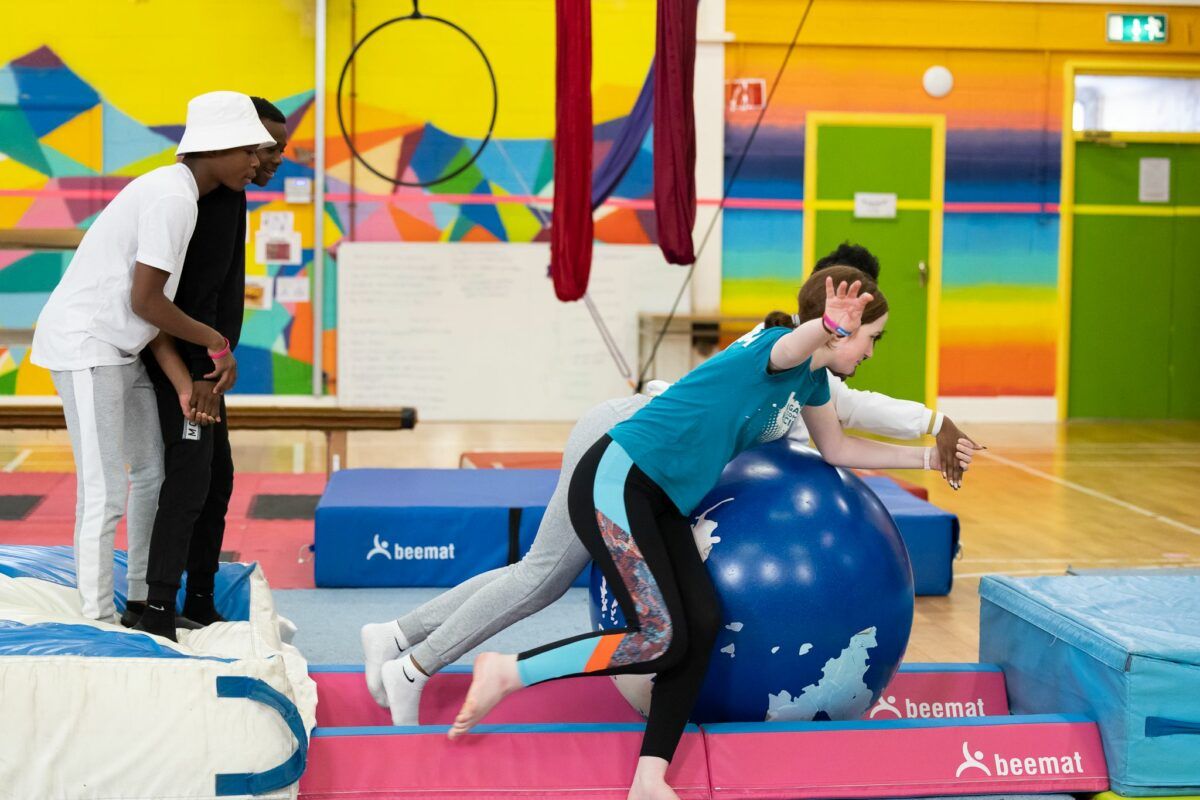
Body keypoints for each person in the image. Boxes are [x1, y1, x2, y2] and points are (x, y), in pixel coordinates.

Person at [361, 245, 982, 725]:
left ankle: (396, 637)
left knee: (539, 574)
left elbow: (844, 433)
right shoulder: (780, 348)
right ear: (827, 320)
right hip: (624, 445)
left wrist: (931, 445)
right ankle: (415, 667)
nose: (869, 345)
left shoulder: (816, 383)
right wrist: (828, 331)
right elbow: (799, 351)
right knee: (541, 580)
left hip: (652, 468)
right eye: (859, 330)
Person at [30, 91, 274, 625]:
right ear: (216, 148)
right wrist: (215, 341)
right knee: (105, 488)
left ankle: (141, 603)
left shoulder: (182, 196)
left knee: (153, 473)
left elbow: (151, 314)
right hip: (85, 345)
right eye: (250, 152)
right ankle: (97, 620)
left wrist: (184, 385)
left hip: (128, 346)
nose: (258, 162)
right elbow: (147, 301)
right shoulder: (172, 199)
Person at [124, 97, 290, 639]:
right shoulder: (197, 198)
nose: (270, 160)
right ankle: (157, 608)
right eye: (263, 149)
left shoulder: (230, 194)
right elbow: (183, 295)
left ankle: (197, 596)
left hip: (207, 366)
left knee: (217, 481)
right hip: (184, 364)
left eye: (275, 151)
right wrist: (199, 369)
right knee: (189, 481)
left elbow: (215, 291)